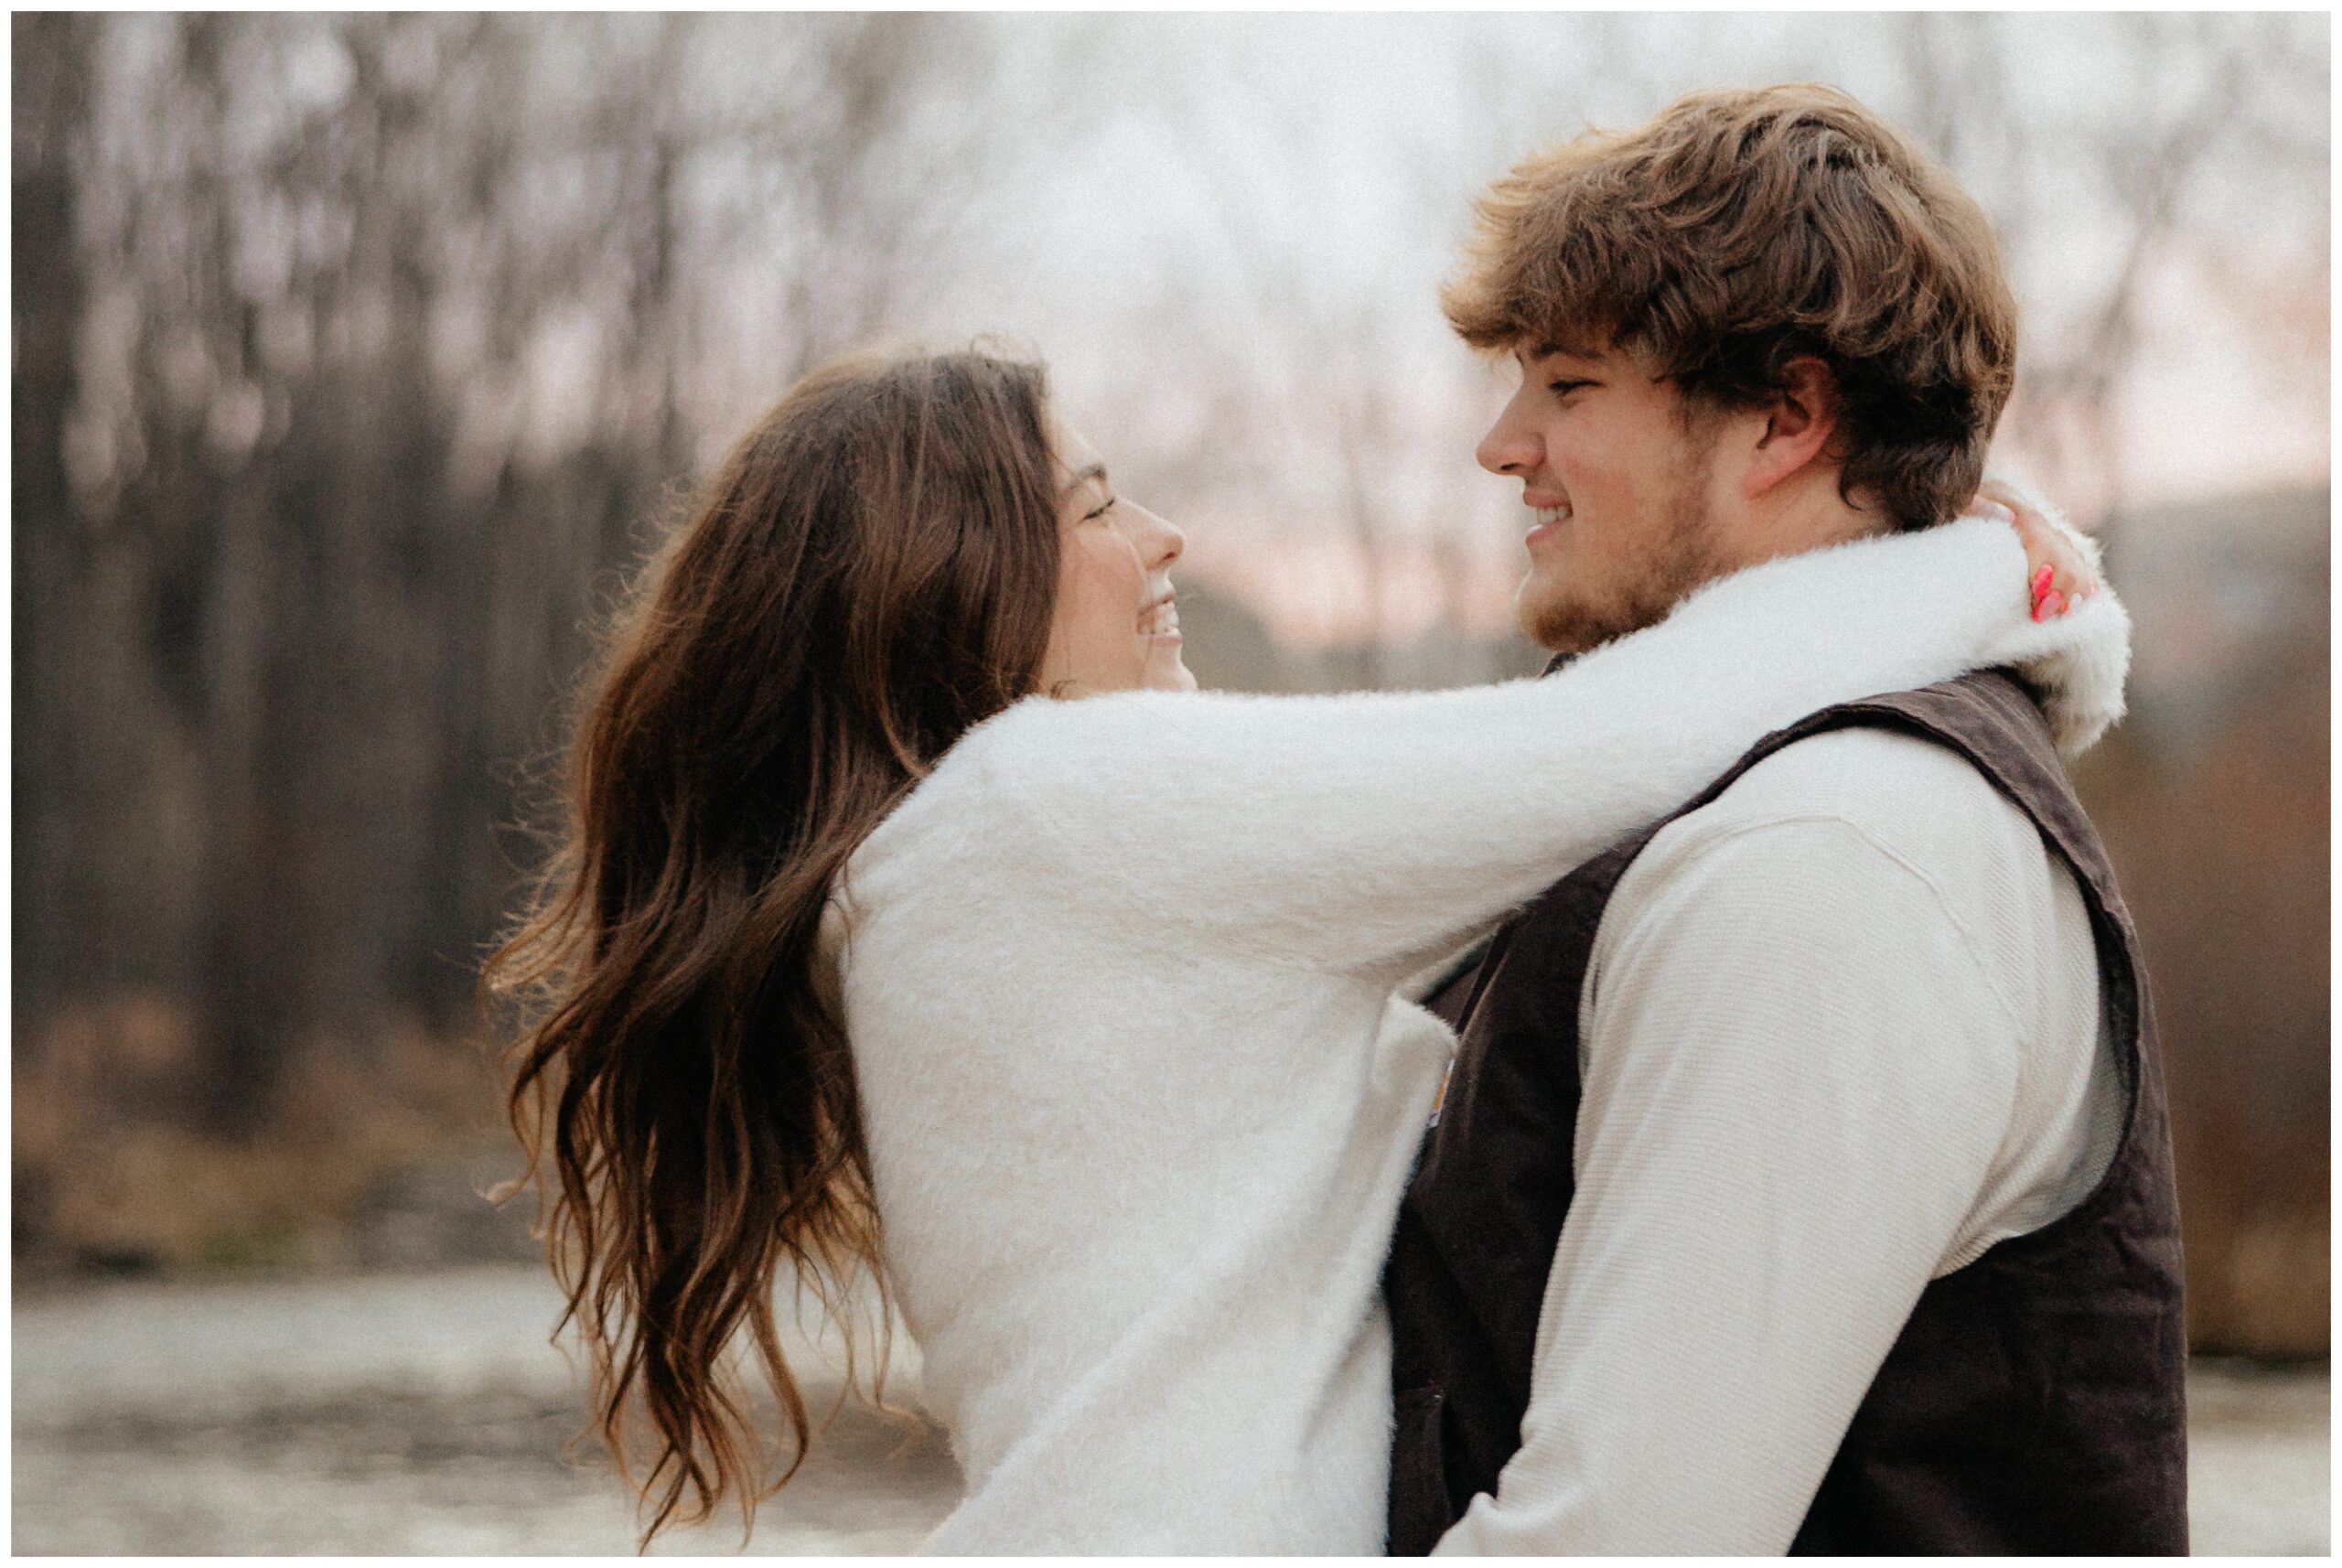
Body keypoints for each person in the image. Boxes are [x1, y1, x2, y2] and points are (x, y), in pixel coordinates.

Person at [486, 341, 2120, 1552]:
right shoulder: (1050, 814)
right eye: (1100, 505)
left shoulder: (944, 883)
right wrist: (2009, 574)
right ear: (960, 584)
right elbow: (1618, 749)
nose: (1165, 539)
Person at [1380, 84, 2187, 1555]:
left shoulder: (1827, 858)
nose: (1505, 445)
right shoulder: (1768, 803)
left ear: (1786, 419)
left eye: (1566, 385)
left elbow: (1617, 1539)